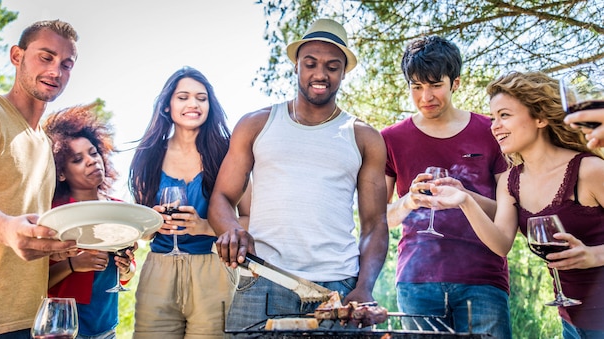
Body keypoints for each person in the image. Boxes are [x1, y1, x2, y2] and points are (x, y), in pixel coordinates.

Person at [208, 18, 389, 333]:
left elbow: (374, 225)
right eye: (311, 64)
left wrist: (365, 287)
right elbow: (222, 198)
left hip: (339, 288)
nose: (320, 74)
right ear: (296, 66)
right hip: (263, 279)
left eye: (332, 67)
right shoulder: (255, 124)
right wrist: (232, 229)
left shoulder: (364, 137)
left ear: (343, 72)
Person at [429, 71, 604, 338]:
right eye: (493, 118)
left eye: (505, 115)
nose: (494, 126)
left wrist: (594, 256)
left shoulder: (589, 170)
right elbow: (501, 243)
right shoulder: (512, 180)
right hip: (571, 322)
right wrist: (464, 200)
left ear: (541, 118)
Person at [380, 36, 511, 338]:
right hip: (416, 283)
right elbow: (378, 218)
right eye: (416, 86)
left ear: (456, 83)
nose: (426, 96)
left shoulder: (491, 131)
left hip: (483, 280)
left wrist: (465, 197)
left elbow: (508, 213)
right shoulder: (390, 139)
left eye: (435, 84)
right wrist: (409, 202)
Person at [128, 66, 250, 339]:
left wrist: (206, 226)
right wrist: (151, 222)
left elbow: (252, 219)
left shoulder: (226, 153)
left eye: (201, 98)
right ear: (167, 105)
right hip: (158, 272)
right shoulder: (148, 155)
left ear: (210, 105)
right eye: (183, 97)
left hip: (213, 272)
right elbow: (142, 231)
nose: (193, 104)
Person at [0, 20, 79, 338]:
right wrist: (8, 229)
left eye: (66, 64)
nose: (56, 71)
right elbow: (10, 227)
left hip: (33, 320)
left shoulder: (44, 144)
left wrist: (54, 248)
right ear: (16, 56)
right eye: (45, 57)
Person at [42, 104, 136, 339]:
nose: (92, 161)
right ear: (61, 172)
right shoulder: (53, 214)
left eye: (93, 153)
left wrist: (127, 267)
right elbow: (33, 281)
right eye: (77, 159)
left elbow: (125, 274)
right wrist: (73, 264)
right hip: (62, 329)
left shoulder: (121, 210)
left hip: (106, 328)